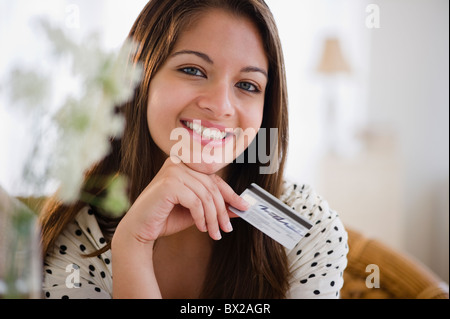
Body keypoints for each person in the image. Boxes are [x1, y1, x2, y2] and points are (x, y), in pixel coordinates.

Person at [39, 0, 348, 299]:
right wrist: (132, 246)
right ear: (138, 79)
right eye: (193, 70)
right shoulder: (78, 231)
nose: (220, 105)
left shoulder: (305, 228)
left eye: (247, 85)